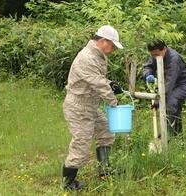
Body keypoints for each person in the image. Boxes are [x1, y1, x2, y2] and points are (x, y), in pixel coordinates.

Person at [62, 25, 124, 190]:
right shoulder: (87, 57)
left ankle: (104, 171)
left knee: (105, 131)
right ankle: (68, 183)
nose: (112, 50)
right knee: (81, 144)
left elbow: (98, 78)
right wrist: (114, 103)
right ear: (103, 41)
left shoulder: (98, 55)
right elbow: (98, 84)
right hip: (79, 107)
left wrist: (111, 84)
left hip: (90, 105)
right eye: (112, 45)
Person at [143, 40, 186, 136]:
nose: (155, 57)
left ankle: (169, 133)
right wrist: (148, 74)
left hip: (185, 84)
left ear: (164, 49)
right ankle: (178, 137)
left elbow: (169, 83)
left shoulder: (174, 59)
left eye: (156, 54)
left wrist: (157, 100)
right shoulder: (155, 54)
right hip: (171, 85)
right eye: (152, 55)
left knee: (171, 101)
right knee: (174, 106)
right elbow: (147, 67)